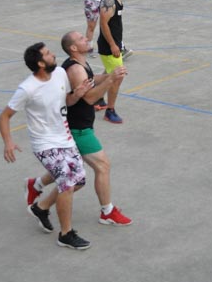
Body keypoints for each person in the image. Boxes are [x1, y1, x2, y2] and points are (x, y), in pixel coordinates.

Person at [25, 32, 132, 227]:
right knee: (101, 167)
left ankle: (38, 192)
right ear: (73, 48)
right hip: (78, 129)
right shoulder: (75, 69)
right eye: (82, 39)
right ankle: (107, 211)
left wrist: (108, 76)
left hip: (79, 126)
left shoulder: (80, 63)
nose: (86, 39)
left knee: (70, 175)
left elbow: (90, 79)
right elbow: (89, 98)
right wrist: (110, 80)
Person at [0, 43, 92, 250]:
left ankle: (41, 207)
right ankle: (66, 234)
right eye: (48, 54)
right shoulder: (27, 88)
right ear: (40, 63)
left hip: (64, 138)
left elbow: (65, 101)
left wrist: (77, 94)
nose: (53, 55)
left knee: (79, 181)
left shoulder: (59, 73)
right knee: (67, 183)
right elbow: (5, 116)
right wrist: (8, 142)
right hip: (45, 143)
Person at [97, 0, 128, 124]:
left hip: (115, 43)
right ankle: (110, 111)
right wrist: (112, 45)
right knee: (117, 76)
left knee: (108, 72)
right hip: (109, 46)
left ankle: (96, 97)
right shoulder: (109, 0)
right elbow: (103, 23)